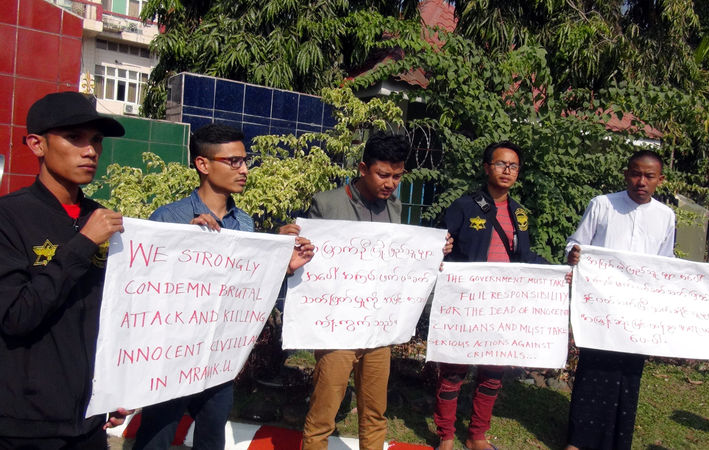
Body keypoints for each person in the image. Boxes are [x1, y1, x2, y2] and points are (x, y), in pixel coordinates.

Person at [133, 124, 315, 450]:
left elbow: (246, 293)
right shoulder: (169, 218)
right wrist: (184, 244)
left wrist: (281, 266)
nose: (244, 170)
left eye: (245, 161)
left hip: (218, 359)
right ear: (203, 165)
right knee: (156, 438)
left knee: (212, 436)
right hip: (171, 357)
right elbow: (146, 289)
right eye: (233, 162)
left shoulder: (244, 224)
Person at [564, 150, 709, 450]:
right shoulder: (602, 205)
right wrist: (574, 254)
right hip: (600, 309)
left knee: (627, 375)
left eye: (649, 176)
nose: (641, 181)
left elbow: (665, 268)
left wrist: (705, 288)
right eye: (636, 174)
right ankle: (577, 441)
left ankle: (617, 441)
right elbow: (575, 243)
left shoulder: (666, 216)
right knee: (592, 372)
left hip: (638, 315)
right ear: (626, 174)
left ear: (659, 180)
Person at [0, 91, 130, 449]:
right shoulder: (9, 218)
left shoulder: (103, 218)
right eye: (74, 138)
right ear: (37, 144)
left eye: (96, 140)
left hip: (89, 424)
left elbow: (119, 316)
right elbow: (16, 316)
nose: (90, 151)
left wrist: (117, 385)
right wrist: (82, 245)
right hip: (24, 428)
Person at [300, 131, 415, 450]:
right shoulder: (327, 203)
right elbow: (308, 260)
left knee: (376, 413)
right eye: (383, 174)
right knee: (324, 414)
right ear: (363, 168)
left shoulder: (395, 206)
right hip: (337, 327)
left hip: (378, 326)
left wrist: (430, 251)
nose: (390, 183)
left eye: (397, 176)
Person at [434, 141, 547, 450]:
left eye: (513, 166)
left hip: (502, 306)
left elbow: (524, 257)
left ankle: (477, 435)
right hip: (466, 302)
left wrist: (556, 271)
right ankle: (445, 435)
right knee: (454, 370)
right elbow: (438, 241)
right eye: (500, 164)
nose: (507, 171)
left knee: (492, 373)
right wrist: (439, 248)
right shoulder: (464, 206)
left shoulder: (520, 213)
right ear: (487, 168)